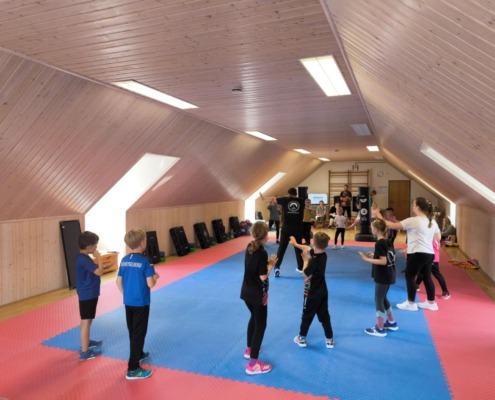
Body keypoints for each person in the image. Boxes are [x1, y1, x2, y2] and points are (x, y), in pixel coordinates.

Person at [377, 197, 441, 311]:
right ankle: (431, 302)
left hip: (417, 253)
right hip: (429, 254)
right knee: (427, 277)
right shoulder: (432, 221)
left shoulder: (414, 220)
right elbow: (438, 237)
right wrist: (424, 239)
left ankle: (411, 303)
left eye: (413, 204)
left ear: (418, 207)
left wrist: (378, 215)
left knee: (410, 276)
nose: (412, 206)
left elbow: (391, 225)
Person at [116, 228, 160, 380]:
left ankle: (139, 353)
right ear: (142, 243)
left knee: (133, 331)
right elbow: (150, 284)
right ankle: (133, 368)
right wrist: (155, 276)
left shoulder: (124, 260)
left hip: (128, 302)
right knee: (139, 333)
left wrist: (126, 295)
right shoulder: (145, 262)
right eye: (145, 240)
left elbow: (118, 281)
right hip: (141, 303)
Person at [240, 221, 277, 375]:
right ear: (265, 235)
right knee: (261, 325)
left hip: (246, 292)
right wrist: (272, 264)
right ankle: (253, 364)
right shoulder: (262, 252)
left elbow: (255, 267)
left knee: (254, 319)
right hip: (257, 294)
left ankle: (249, 349)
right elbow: (263, 276)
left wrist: (267, 263)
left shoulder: (250, 246)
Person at [289, 232, 334, 349]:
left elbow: (304, 274)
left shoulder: (313, 262)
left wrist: (305, 260)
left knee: (307, 316)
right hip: (322, 292)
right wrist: (295, 244)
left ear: (314, 242)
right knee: (324, 316)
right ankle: (329, 340)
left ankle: (301, 338)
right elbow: (308, 248)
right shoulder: (323, 255)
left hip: (311, 293)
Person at [358, 219, 398, 337]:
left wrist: (366, 259)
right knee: (383, 298)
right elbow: (391, 257)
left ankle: (380, 328)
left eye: (372, 227)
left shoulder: (380, 243)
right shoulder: (388, 241)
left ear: (375, 229)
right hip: (389, 274)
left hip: (383, 275)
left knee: (378, 299)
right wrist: (374, 255)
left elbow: (383, 261)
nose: (371, 229)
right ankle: (391, 322)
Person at [260, 188, 305, 277]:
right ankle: (300, 267)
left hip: (286, 229)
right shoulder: (301, 201)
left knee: (282, 248)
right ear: (296, 194)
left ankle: (277, 267)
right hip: (298, 229)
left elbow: (272, 199)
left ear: (288, 194)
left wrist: (264, 198)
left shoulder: (285, 200)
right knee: (298, 247)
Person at [76, 231, 105, 361]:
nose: (96, 247)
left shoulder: (83, 257)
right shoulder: (83, 259)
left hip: (89, 293)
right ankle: (84, 351)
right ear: (89, 247)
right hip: (87, 294)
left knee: (88, 319)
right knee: (86, 320)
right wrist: (99, 257)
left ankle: (86, 341)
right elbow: (99, 272)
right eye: (95, 245)